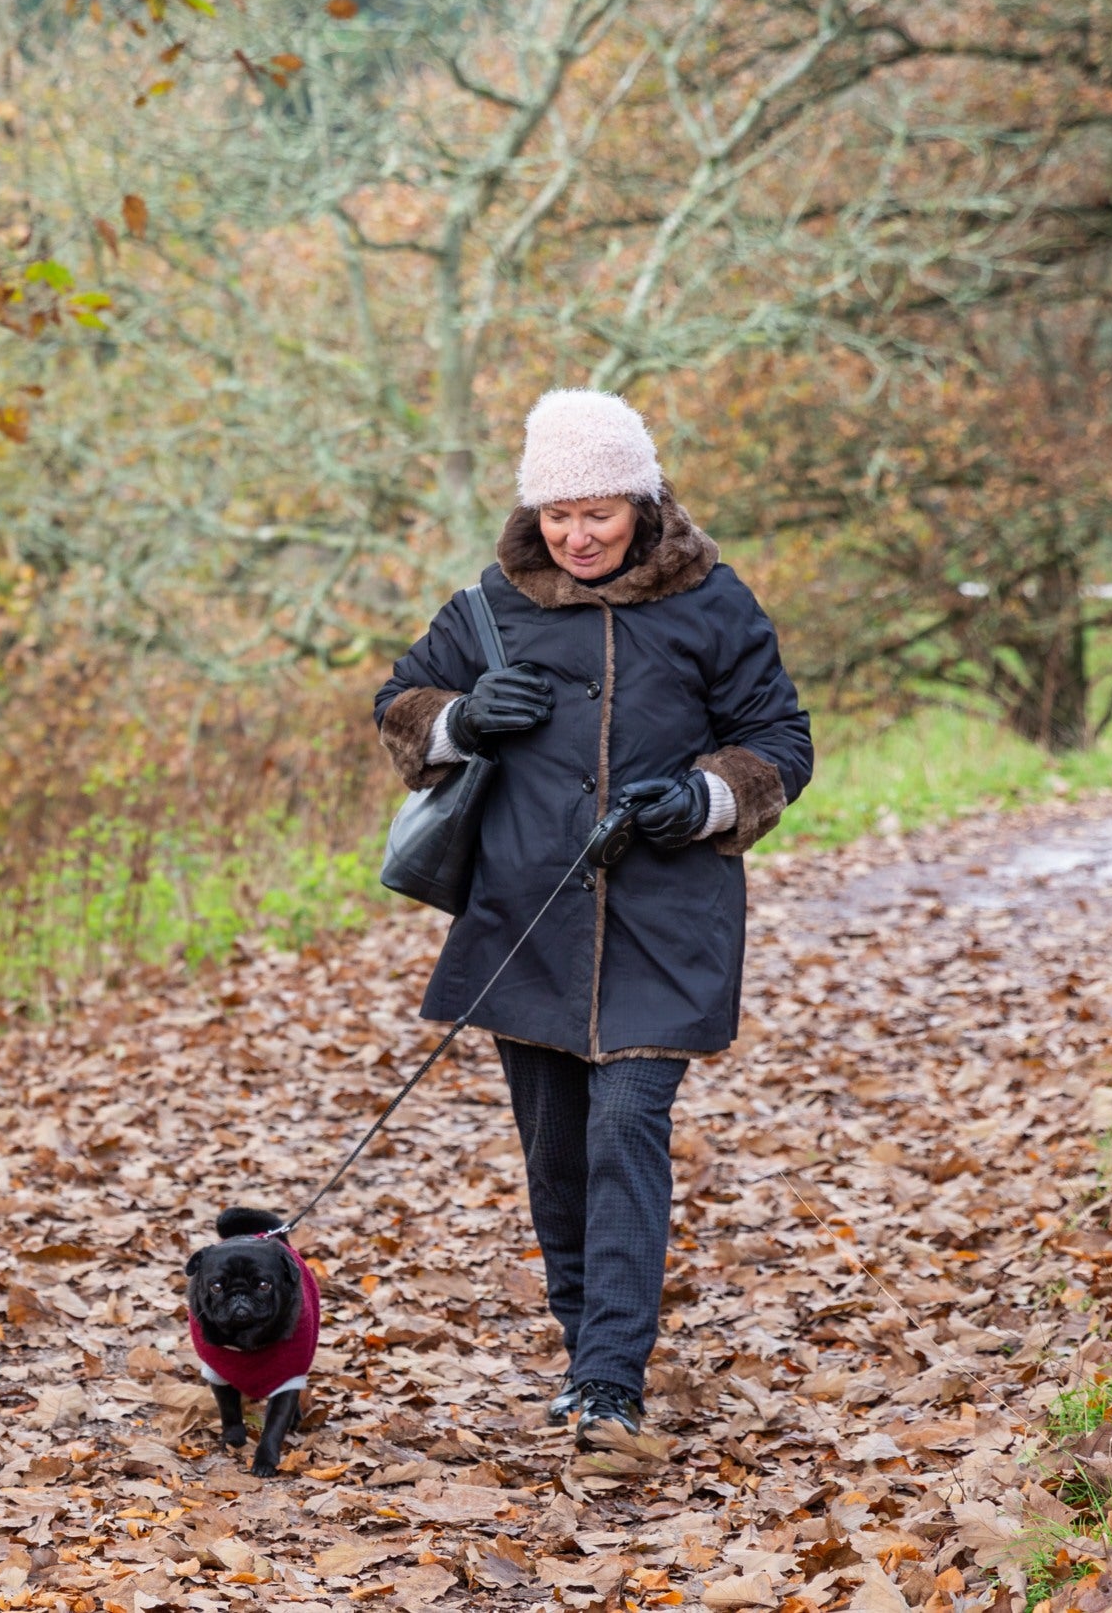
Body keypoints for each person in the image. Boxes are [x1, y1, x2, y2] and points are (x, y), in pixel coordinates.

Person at [373, 389, 811, 1444]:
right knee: (556, 1156)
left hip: (670, 917)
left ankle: (612, 1379)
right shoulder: (493, 605)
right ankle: (587, 1357)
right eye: (560, 514)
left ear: (643, 500)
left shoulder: (714, 603)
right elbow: (399, 708)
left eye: (600, 513)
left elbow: (780, 743)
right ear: (536, 512)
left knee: (626, 1126)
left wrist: (701, 798)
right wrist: (462, 719)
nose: (579, 535)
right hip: (525, 917)